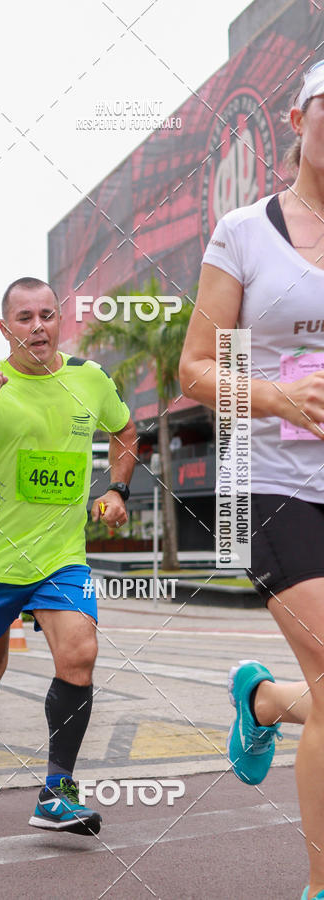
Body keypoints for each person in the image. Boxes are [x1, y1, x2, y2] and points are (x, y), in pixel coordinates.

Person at [179, 60, 324, 900]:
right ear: (297, 120)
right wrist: (276, 396)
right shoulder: (244, 231)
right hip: (272, 483)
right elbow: (195, 369)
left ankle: (264, 701)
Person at [0, 276, 137, 834]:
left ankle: (56, 791)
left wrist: (117, 489)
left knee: (80, 653)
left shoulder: (89, 379)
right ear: (6, 329)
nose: (38, 327)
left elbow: (125, 430)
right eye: (25, 318)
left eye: (47, 314)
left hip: (62, 557)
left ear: (60, 320)